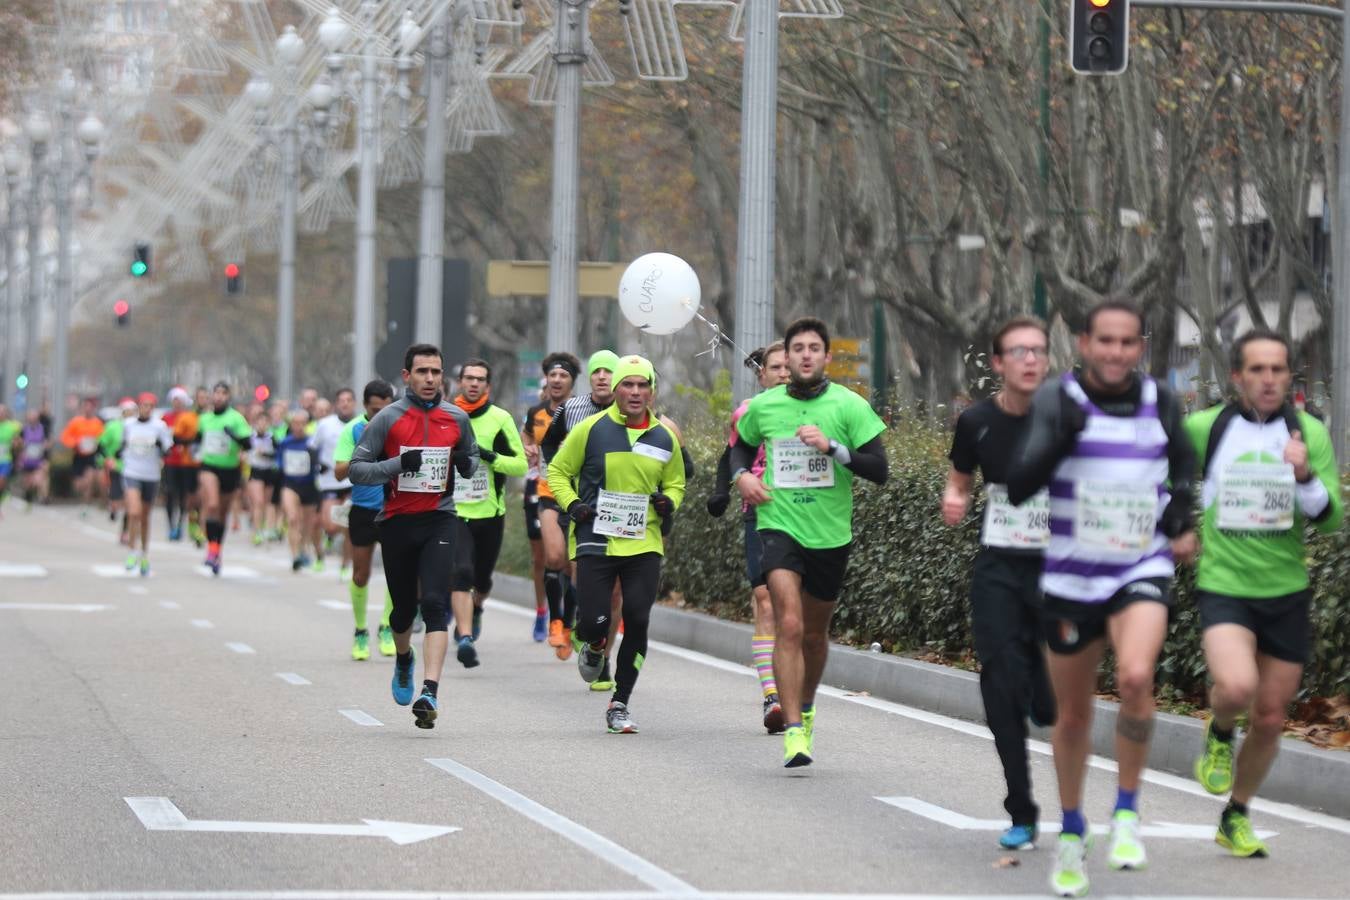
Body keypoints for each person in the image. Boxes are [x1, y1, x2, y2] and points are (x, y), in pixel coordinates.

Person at [1006, 299, 1197, 897]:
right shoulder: (1058, 400)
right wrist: (1061, 437)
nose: (1116, 353)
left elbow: (1184, 467)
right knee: (1075, 713)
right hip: (1070, 578)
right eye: (1105, 341)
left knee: (1137, 677)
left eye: (1128, 342)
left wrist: (1182, 519)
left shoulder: (1160, 400)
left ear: (1141, 347)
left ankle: (1126, 813)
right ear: (1083, 344)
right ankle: (1070, 828)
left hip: (1140, 566)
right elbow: (1019, 484)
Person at [1185, 328, 1343, 858]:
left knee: (1273, 716)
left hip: (1286, 592)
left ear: (1288, 376)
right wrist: (1174, 524)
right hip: (1226, 584)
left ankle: (1236, 813)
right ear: (1237, 376)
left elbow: (1329, 522)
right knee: (1236, 685)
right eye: (1258, 369)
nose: (1270, 379)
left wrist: (1303, 475)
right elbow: (1161, 477)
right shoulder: (1206, 428)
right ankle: (1220, 729)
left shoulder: (1309, 434)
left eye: (1278, 370)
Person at [731, 317, 889, 768]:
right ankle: (794, 731)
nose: (804, 355)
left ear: (826, 357)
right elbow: (738, 448)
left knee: (816, 637)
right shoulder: (765, 406)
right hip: (778, 525)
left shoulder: (849, 405)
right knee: (790, 625)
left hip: (830, 534)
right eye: (796, 347)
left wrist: (833, 448)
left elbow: (879, 469)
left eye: (813, 348)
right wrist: (742, 477)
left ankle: (808, 703)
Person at [941, 317, 1058, 851]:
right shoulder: (976, 422)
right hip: (999, 566)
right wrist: (956, 499)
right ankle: (1021, 808)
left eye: (1038, 351)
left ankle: (1042, 688)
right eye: (1019, 351)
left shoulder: (1069, 418)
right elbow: (960, 477)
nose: (1030, 360)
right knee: (998, 679)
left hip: (1059, 568)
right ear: (998, 364)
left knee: (1047, 695)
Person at [548, 355, 686, 733]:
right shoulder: (590, 430)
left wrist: (669, 501)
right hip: (596, 538)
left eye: (643, 386)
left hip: (644, 542)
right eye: (629, 385)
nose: (636, 392)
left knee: (638, 619)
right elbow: (557, 470)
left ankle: (620, 702)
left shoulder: (663, 436)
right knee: (595, 622)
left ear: (652, 392)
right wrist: (572, 504)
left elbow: (676, 482)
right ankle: (593, 645)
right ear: (617, 390)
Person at [349, 344, 478, 729]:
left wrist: (467, 463)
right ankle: (404, 659)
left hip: (440, 519)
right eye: (422, 372)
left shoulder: (456, 417)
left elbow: (469, 460)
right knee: (404, 611)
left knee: (436, 602)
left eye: (436, 372)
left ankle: (430, 691)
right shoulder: (388, 418)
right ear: (407, 376)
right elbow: (357, 469)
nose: (430, 379)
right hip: (397, 523)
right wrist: (397, 465)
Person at [709, 342, 791, 732]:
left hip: (807, 516)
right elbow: (732, 455)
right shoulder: (748, 411)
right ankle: (772, 697)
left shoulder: (819, 411)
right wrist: (722, 491)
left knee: (795, 609)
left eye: (789, 366)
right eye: (776, 367)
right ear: (762, 374)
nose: (784, 373)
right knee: (765, 600)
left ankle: (795, 688)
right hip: (759, 513)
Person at [540, 349, 619, 660]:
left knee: (607, 586)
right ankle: (577, 623)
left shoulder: (631, 410)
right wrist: (559, 471)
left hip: (616, 505)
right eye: (597, 370)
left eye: (608, 371)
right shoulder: (571, 408)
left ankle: (597, 648)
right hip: (575, 503)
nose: (602, 376)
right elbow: (548, 440)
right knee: (571, 566)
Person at [450, 358, 528, 664]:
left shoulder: (500, 418)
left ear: (488, 385)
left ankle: (477, 606)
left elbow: (521, 464)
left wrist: (489, 456)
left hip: (490, 513)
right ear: (460, 382)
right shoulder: (446, 416)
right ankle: (466, 638)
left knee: (481, 580)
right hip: (454, 512)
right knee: (461, 573)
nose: (473, 383)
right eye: (468, 378)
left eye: (479, 379)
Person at [334, 379, 398, 660]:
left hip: (395, 507)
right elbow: (338, 473)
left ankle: (386, 626)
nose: (380, 416)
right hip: (363, 509)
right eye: (374, 410)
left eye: (385, 410)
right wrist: (364, 448)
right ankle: (360, 630)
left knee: (397, 573)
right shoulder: (353, 429)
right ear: (365, 407)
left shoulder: (399, 426)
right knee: (361, 574)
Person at [521, 353, 579, 641]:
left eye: (563, 376)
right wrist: (528, 449)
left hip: (581, 496)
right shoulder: (536, 413)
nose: (556, 380)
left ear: (572, 381)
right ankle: (554, 619)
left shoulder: (583, 410)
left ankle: (568, 621)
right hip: (547, 491)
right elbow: (526, 436)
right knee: (553, 556)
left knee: (573, 564)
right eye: (552, 376)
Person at [195, 382, 253, 575]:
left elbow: (248, 444)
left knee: (221, 513)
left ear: (228, 397)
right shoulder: (205, 419)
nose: (219, 397)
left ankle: (217, 550)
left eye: (223, 393)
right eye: (216, 393)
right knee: (211, 505)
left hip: (230, 469)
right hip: (209, 466)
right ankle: (211, 549)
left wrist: (234, 436)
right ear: (212, 396)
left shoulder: (236, 418)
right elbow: (197, 440)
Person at [118, 392, 174, 576]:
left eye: (150, 406)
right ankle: (132, 551)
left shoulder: (159, 426)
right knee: (133, 511)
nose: (146, 409)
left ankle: (144, 554)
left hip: (151, 475)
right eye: (143, 405)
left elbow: (168, 449)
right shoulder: (128, 425)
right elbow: (121, 446)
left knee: (144, 516)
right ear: (138, 407)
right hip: (132, 472)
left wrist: (160, 446)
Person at [314, 388, 357, 577]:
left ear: (354, 403)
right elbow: (312, 448)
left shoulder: (360, 424)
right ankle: (330, 535)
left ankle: (345, 565)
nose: (345, 403)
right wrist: (319, 465)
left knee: (348, 526)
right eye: (341, 400)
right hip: (330, 481)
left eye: (349, 400)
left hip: (351, 481)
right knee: (331, 525)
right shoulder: (325, 425)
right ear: (336, 404)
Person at [276, 409, 323, 572]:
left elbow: (319, 464)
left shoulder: (311, 443)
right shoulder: (285, 442)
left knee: (307, 524)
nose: (299, 426)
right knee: (293, 518)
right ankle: (295, 555)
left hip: (309, 485)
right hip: (290, 484)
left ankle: (303, 549)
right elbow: (279, 464)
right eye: (295, 423)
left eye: (302, 423)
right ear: (291, 425)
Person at [162, 386, 202, 544]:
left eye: (180, 401)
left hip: (186, 462)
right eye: (175, 401)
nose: (177, 404)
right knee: (170, 493)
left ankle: (181, 523)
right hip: (170, 461)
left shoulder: (191, 417)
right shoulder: (166, 418)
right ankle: (171, 525)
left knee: (185, 496)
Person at [61, 397, 104, 512]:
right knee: (79, 485)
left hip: (91, 456)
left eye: (90, 407)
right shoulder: (76, 422)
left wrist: (96, 443)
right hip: (79, 456)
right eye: (86, 406)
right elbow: (65, 437)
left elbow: (102, 438)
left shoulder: (98, 423)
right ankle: (82, 497)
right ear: (83, 408)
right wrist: (76, 443)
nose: (88, 409)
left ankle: (85, 505)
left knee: (89, 480)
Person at [245, 410, 281, 545]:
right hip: (255, 471)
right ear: (256, 423)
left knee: (267, 503)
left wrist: (266, 454)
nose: (263, 424)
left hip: (269, 472)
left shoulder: (272, 438)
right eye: (260, 422)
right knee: (258, 502)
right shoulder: (251, 437)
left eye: (265, 422)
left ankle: (266, 528)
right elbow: (243, 449)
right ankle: (256, 531)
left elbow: (278, 453)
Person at [101, 398, 135, 544]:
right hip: (116, 467)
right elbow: (101, 445)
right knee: (116, 501)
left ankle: (124, 532)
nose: (129, 414)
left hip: (133, 469)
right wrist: (108, 459)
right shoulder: (113, 426)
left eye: (132, 411)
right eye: (127, 411)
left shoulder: (136, 427)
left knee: (129, 503)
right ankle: (113, 509)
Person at [18, 409, 51, 508]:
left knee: (40, 479)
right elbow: (18, 443)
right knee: (28, 482)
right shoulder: (24, 429)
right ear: (28, 418)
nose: (32, 419)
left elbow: (49, 441)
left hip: (40, 459)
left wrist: (46, 445)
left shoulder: (43, 429)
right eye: (31, 417)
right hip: (27, 459)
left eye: (34, 417)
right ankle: (28, 496)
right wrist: (20, 448)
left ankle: (44, 497)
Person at [0, 403, 19, 508]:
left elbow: (19, 440)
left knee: (1, 480)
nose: (0, 414)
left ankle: (3, 494)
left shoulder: (12, 426)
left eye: (2, 412)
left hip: (5, 459)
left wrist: (16, 443)